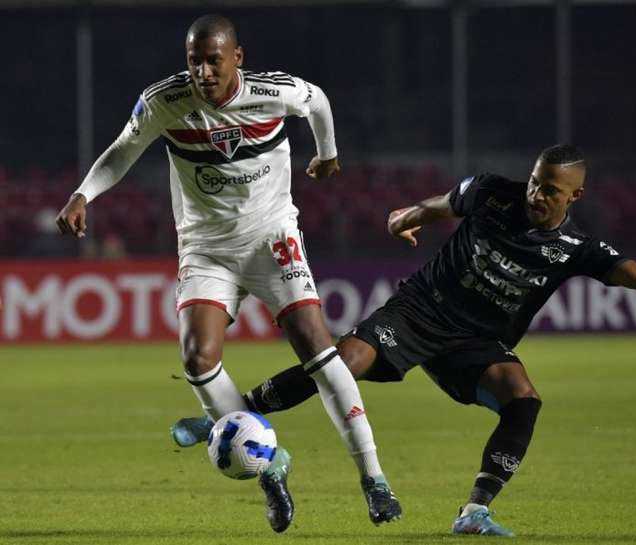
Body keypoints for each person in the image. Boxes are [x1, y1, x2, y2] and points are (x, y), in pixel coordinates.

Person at [174, 143, 636, 535]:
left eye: (551, 190)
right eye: (536, 182)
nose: (537, 194)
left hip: (476, 343)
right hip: (419, 311)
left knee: (523, 398)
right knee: (342, 360)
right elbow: (444, 203)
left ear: (575, 196)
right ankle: (231, 415)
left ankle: (475, 511)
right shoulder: (492, 192)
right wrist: (409, 214)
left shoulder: (575, 250)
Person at [55, 14, 400, 532]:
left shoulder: (273, 92)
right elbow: (123, 150)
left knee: (316, 346)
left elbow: (319, 101)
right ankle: (270, 469)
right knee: (198, 358)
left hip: (271, 238)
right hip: (206, 247)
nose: (203, 71)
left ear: (237, 57)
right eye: (194, 61)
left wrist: (328, 154)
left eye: (213, 60)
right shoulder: (163, 102)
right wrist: (84, 193)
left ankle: (373, 478)